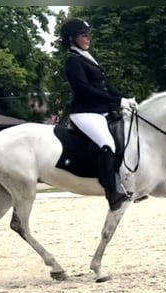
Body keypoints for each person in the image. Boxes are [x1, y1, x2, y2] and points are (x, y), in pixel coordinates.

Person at [60, 18, 137, 211]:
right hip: (85, 112)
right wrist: (116, 101)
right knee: (107, 144)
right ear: (71, 38)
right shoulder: (73, 60)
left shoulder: (86, 57)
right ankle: (112, 194)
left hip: (100, 111)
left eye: (88, 35)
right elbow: (84, 90)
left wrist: (124, 98)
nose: (88, 39)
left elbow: (104, 86)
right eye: (83, 35)